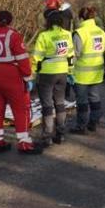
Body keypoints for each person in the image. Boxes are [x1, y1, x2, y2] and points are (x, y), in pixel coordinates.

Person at [0, 10, 42, 154]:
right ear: (10, 21)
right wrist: (28, 78)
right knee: (21, 109)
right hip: (10, 76)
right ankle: (24, 143)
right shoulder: (13, 35)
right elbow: (22, 59)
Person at [31, 10, 75, 145]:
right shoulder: (67, 35)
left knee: (47, 105)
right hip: (62, 73)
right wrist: (70, 73)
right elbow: (71, 56)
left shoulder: (44, 36)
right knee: (60, 103)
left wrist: (32, 73)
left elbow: (36, 57)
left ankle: (47, 136)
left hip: (47, 74)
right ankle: (60, 134)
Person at [69, 6, 105, 135]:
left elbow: (75, 54)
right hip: (97, 72)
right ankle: (94, 122)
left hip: (81, 73)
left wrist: (69, 71)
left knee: (82, 101)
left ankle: (81, 126)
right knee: (95, 98)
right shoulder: (101, 32)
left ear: (81, 18)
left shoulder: (80, 33)